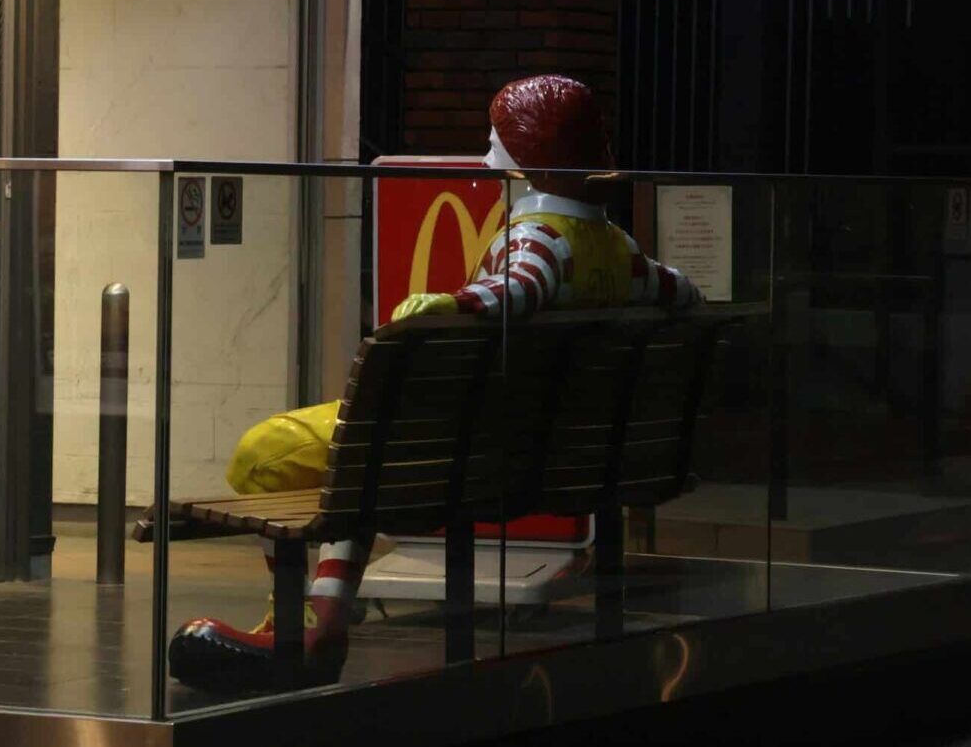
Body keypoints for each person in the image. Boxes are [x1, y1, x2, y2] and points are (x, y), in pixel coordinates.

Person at [167, 74, 702, 693]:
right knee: (358, 466)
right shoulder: (621, 251)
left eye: (495, 140)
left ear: (528, 156)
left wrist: (452, 302)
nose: (486, 156)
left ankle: (306, 623)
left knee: (264, 452)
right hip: (540, 451)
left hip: (457, 450)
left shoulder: (540, 238)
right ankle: (324, 619)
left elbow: (522, 288)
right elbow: (684, 292)